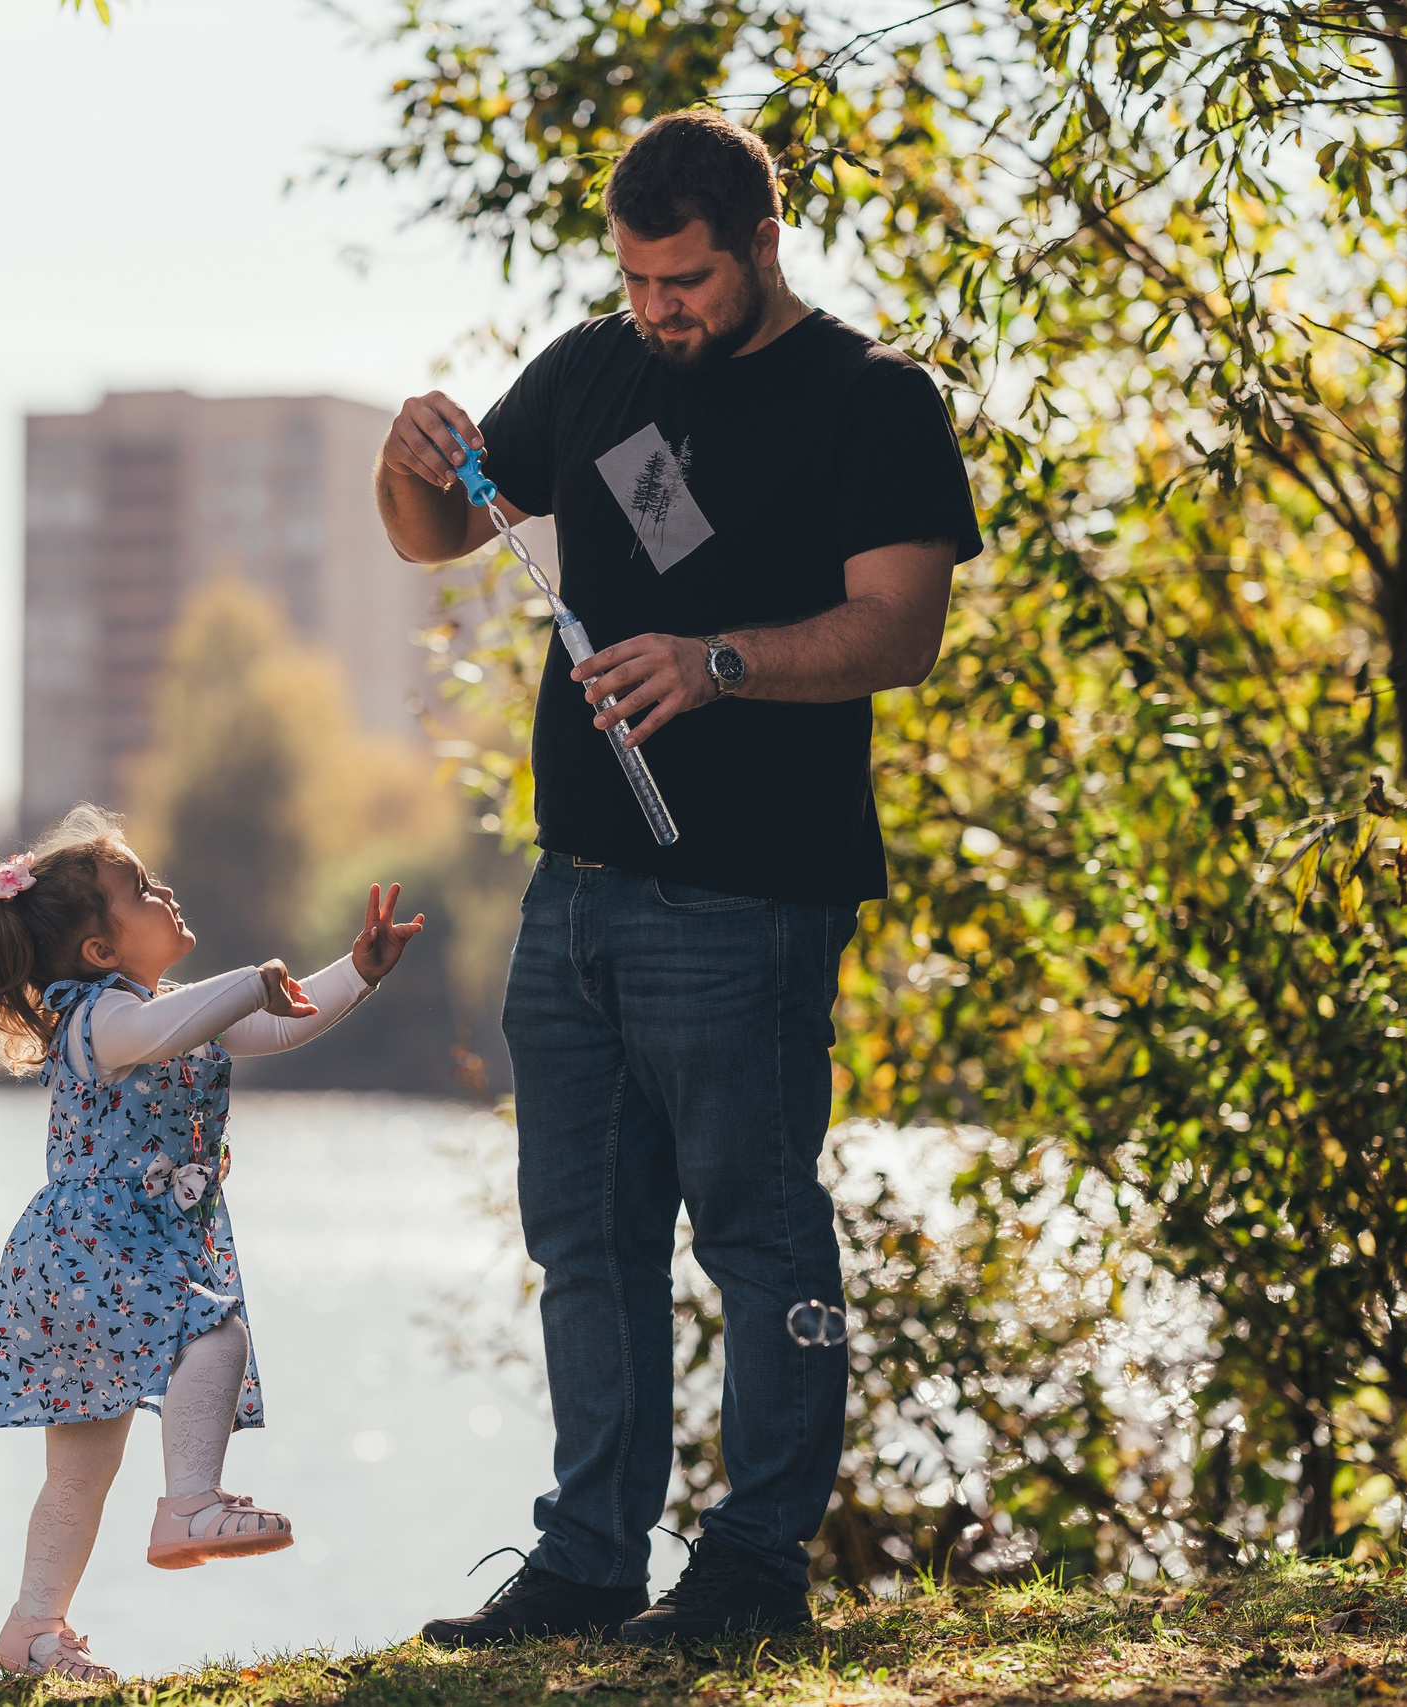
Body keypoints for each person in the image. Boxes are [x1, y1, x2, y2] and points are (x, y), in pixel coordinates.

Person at [375, 110, 982, 1645]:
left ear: (764, 245)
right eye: (640, 279)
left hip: (752, 902)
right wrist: (408, 465)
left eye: (688, 280)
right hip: (574, 891)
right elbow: (439, 528)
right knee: (585, 1243)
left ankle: (753, 1571)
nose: (661, 309)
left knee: (759, 1235)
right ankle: (587, 1560)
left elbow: (900, 631)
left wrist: (716, 664)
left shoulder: (872, 399)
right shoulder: (596, 367)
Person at [0, 805, 426, 1682]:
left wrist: (356, 972)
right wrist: (251, 977)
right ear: (99, 951)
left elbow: (278, 1022)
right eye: (139, 888)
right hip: (100, 1249)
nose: (163, 892)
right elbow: (206, 1015)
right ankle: (190, 1505)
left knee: (82, 1467)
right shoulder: (97, 1018)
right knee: (213, 1333)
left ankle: (32, 1631)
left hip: (114, 1254)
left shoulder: (169, 1009)